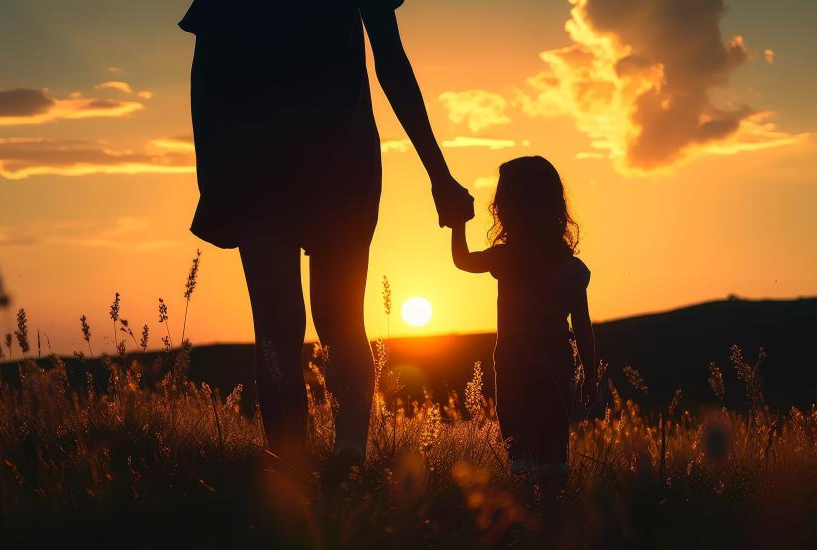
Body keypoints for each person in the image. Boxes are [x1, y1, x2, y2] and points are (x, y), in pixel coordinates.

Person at [179, 0, 474, 467]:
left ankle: (303, 460)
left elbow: (205, 76)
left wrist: (214, 176)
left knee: (286, 327)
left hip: (276, 167)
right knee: (329, 322)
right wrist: (438, 175)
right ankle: (341, 447)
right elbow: (391, 60)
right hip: (317, 164)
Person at [450, 156, 595, 484]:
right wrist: (590, 372)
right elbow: (583, 326)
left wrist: (458, 223)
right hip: (558, 358)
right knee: (553, 439)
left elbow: (462, 260)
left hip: (514, 359)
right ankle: (553, 505)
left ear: (506, 208)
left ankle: (525, 503)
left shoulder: (505, 259)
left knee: (518, 440)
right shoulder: (571, 269)